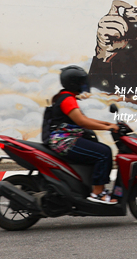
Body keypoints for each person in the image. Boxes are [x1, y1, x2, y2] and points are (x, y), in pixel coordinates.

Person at [46, 65, 120, 204]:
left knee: (100, 150)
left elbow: (84, 119)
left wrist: (107, 124)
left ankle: (98, 189)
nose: (84, 84)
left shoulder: (66, 97)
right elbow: (82, 122)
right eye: (81, 82)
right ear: (73, 83)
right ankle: (97, 193)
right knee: (104, 153)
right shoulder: (67, 99)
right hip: (65, 141)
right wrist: (107, 128)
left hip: (66, 139)